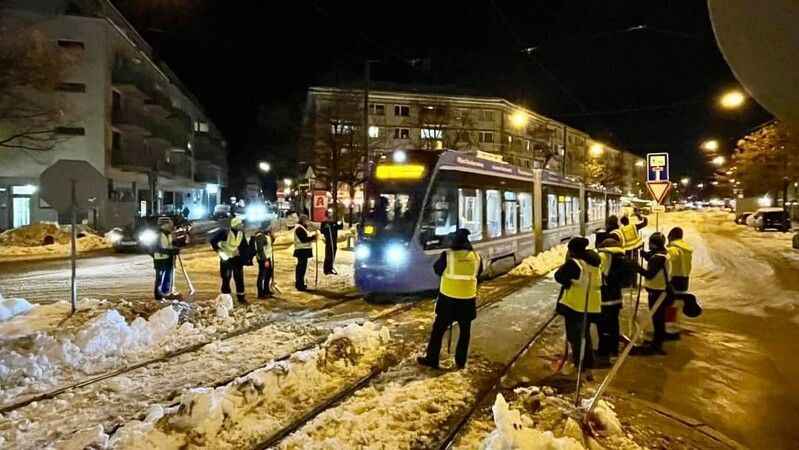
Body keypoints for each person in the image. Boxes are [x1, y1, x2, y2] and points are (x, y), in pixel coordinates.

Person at [418, 228, 482, 370]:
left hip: (448, 301)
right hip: (467, 301)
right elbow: (479, 274)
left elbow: (437, 270)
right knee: (465, 333)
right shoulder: (477, 257)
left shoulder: (447, 256)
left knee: (438, 331)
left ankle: (432, 359)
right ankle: (460, 361)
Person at [554, 237, 602, 372]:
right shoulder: (593, 263)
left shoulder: (574, 264)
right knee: (584, 334)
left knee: (576, 337)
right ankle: (588, 361)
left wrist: (568, 282)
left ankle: (581, 364)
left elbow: (558, 276)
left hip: (575, 306)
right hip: (592, 305)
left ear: (572, 250)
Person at [633, 232, 672, 355]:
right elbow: (652, 258)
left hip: (657, 292)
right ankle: (657, 342)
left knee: (657, 319)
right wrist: (645, 254)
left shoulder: (658, 258)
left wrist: (636, 267)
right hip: (661, 291)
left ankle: (657, 345)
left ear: (653, 244)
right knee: (658, 318)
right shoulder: (663, 253)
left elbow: (650, 274)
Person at [596, 237, 632, 362]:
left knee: (603, 326)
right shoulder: (623, 257)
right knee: (614, 324)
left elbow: (597, 274)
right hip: (616, 297)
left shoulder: (603, 256)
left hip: (604, 297)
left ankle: (604, 352)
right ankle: (614, 349)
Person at [211, 216, 249, 304]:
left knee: (239, 278)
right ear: (235, 225)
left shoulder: (241, 233)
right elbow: (213, 241)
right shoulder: (225, 233)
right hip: (226, 259)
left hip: (236, 259)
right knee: (226, 278)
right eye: (240, 224)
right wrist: (219, 250)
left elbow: (244, 245)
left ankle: (241, 297)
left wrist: (243, 254)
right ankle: (226, 297)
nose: (242, 225)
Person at [665, 227, 694, 338]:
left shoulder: (674, 248)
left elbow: (666, 259)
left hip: (674, 278)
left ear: (671, 236)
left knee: (669, 304)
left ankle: (669, 329)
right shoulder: (687, 248)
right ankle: (674, 326)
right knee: (677, 304)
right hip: (685, 279)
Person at [152, 221, 181, 301]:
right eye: (169, 224)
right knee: (160, 278)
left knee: (168, 277)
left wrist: (175, 246)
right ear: (164, 225)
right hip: (160, 260)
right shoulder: (158, 235)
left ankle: (166, 292)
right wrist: (170, 251)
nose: (171, 226)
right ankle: (159, 295)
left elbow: (170, 245)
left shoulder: (168, 234)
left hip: (168, 259)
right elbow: (156, 248)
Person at [293, 215, 317, 291]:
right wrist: (313, 237)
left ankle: (301, 283)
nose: (307, 221)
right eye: (306, 220)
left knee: (302, 268)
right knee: (301, 269)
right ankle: (299, 284)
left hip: (303, 250)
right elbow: (303, 239)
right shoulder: (299, 228)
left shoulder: (302, 228)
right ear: (303, 220)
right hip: (301, 250)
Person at [251, 226, 274, 299]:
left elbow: (268, 245)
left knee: (268, 274)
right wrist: (265, 260)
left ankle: (266, 290)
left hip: (267, 258)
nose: (271, 229)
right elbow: (260, 249)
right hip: (263, 259)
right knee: (262, 275)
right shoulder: (260, 236)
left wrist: (272, 236)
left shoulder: (266, 235)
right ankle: (260, 293)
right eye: (269, 227)